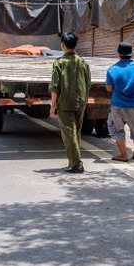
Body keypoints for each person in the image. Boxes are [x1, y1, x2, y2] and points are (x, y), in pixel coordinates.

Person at [49, 32, 91, 173]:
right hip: (80, 101)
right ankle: (73, 161)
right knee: (76, 132)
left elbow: (55, 87)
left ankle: (76, 164)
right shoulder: (83, 63)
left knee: (69, 133)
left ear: (62, 45)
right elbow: (88, 83)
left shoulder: (59, 63)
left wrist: (52, 105)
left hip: (65, 103)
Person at [105, 42, 134, 162]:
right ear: (131, 54)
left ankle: (123, 155)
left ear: (118, 54)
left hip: (117, 105)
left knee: (117, 130)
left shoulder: (112, 69)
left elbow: (109, 88)